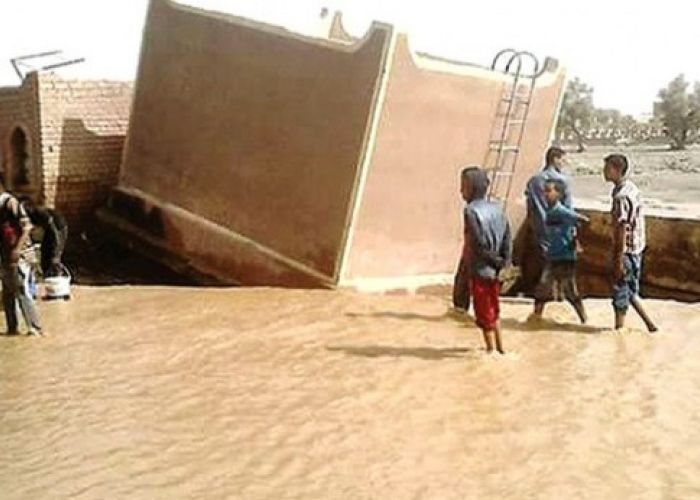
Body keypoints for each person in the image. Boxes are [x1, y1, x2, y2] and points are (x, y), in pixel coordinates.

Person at [603, 154, 658, 333]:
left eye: (607, 168)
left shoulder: (621, 196)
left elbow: (622, 230)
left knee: (620, 290)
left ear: (617, 170)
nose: (604, 172)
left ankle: (619, 330)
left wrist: (618, 259)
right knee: (629, 289)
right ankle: (651, 325)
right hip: (637, 247)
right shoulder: (630, 188)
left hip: (626, 250)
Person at [461, 167, 512, 354]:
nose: (461, 191)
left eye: (464, 187)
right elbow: (508, 237)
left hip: (481, 269)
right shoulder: (498, 209)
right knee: (494, 310)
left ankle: (491, 352)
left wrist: (495, 262)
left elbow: (478, 244)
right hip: (496, 271)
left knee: (484, 315)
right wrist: (504, 263)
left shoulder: (470, 211)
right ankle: (501, 349)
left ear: (472, 188)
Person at [529, 180, 589, 323]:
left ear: (559, 194)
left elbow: (584, 220)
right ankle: (535, 318)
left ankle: (583, 319)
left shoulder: (561, 211)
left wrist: (575, 240)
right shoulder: (549, 212)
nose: (545, 194)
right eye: (545, 191)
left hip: (565, 257)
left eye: (549, 191)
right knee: (542, 288)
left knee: (570, 291)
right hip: (552, 256)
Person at [524, 146, 573, 289]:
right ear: (555, 159)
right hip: (559, 231)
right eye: (563, 160)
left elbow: (534, 209)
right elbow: (567, 209)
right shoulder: (563, 181)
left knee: (545, 264)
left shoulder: (534, 181)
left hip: (541, 231)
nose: (564, 163)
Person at [0, 186, 42, 335]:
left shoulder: (10, 203)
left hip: (19, 254)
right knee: (7, 292)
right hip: (4, 254)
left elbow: (27, 227)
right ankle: (12, 328)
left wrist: (17, 249)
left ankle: (35, 327)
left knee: (21, 289)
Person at [17, 196, 68, 277]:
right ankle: (47, 275)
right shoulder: (27, 215)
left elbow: (54, 230)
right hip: (50, 230)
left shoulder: (38, 212)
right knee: (44, 251)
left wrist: (56, 250)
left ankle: (56, 277)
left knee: (53, 257)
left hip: (58, 229)